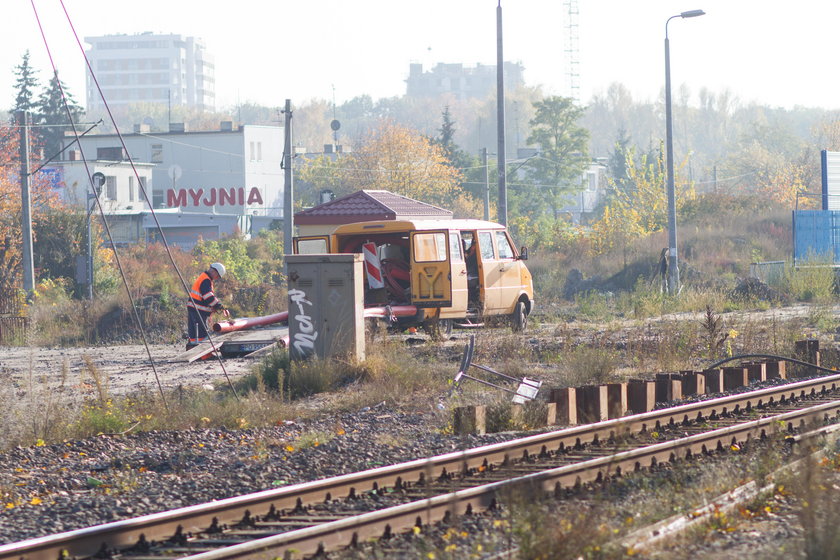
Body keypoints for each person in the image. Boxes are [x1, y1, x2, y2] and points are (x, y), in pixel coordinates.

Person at [186, 262, 230, 350]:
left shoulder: (204, 278)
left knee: (195, 332)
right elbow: (208, 297)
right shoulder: (206, 280)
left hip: (194, 309)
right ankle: (204, 354)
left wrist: (215, 306)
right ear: (215, 272)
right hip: (198, 310)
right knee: (202, 333)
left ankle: (192, 349)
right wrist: (219, 306)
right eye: (217, 276)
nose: (217, 278)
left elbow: (205, 297)